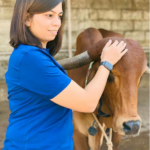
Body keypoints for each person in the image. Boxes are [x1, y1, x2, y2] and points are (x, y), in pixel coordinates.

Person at [3, 0, 128, 149]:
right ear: (27, 18)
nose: (57, 23)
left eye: (59, 16)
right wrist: (107, 62)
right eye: (49, 15)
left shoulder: (35, 55)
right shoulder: (31, 58)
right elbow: (87, 103)